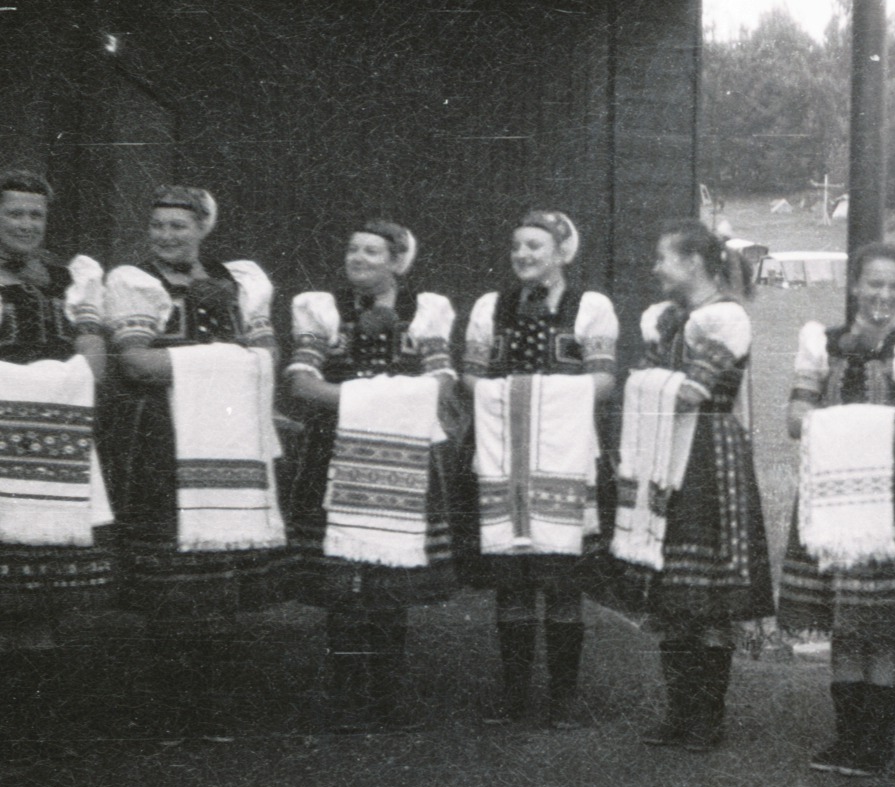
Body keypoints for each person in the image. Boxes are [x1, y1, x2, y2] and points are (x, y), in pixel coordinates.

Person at [103, 185, 287, 738]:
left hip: (229, 441)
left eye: (178, 226)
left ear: (201, 229)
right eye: (157, 225)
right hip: (165, 440)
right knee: (173, 574)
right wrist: (230, 360)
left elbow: (270, 359)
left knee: (219, 573)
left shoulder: (238, 283)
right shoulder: (133, 282)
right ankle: (171, 707)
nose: (165, 235)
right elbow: (136, 364)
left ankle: (216, 703)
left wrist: (214, 363)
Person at [778, 242, 895, 776]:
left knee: (881, 624)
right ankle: (846, 737)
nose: (884, 295)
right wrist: (866, 427)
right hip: (832, 496)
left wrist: (836, 427)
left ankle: (876, 743)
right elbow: (793, 416)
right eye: (874, 284)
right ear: (854, 286)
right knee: (846, 623)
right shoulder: (822, 343)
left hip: (894, 498)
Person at [285, 221, 459, 731]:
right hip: (336, 456)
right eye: (352, 247)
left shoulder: (424, 314)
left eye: (371, 251)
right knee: (343, 580)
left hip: (401, 460)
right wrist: (380, 402)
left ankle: (386, 695)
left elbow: (442, 383)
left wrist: (362, 401)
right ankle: (345, 694)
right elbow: (300, 382)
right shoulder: (323, 311)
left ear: (396, 262)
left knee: (388, 576)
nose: (357, 257)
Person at [462, 210, 618, 728]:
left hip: (564, 455)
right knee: (512, 577)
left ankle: (564, 694)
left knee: (561, 577)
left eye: (534, 246)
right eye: (516, 247)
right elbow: (472, 377)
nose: (523, 255)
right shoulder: (492, 307)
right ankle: (514, 693)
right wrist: (511, 398)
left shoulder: (588, 307)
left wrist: (540, 398)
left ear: (560, 253)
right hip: (504, 453)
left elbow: (602, 381)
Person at [629, 222, 771, 752]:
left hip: (710, 457)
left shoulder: (724, 318)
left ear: (693, 262)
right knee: (674, 596)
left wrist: (645, 384)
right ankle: (679, 711)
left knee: (706, 595)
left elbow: (691, 393)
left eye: (664, 258)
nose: (656, 267)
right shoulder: (666, 321)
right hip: (671, 454)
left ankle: (707, 716)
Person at [0, 170, 115, 735]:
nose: (25, 224)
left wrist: (57, 382)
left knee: (38, 592)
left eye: (35, 215)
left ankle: (38, 724)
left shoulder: (68, 279)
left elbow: (92, 358)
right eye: (15, 213)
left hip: (50, 445)